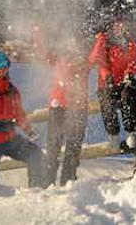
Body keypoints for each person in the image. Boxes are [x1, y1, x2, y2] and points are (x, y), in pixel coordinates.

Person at [0, 51, 44, 189]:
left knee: (35, 154)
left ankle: (36, 189)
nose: (3, 68)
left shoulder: (12, 90)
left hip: (10, 138)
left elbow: (19, 113)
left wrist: (28, 130)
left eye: (5, 64)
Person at [32, 27, 89, 186]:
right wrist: (38, 32)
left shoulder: (85, 61)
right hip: (59, 107)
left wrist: (100, 39)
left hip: (78, 109)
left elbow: (96, 55)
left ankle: (68, 180)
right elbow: (42, 53)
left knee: (73, 147)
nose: (74, 45)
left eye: (77, 43)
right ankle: (47, 181)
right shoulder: (58, 58)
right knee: (53, 146)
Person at [89, 17, 136, 151]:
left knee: (129, 95)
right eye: (116, 26)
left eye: (121, 26)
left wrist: (129, 74)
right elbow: (96, 60)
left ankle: (131, 132)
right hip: (107, 82)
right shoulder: (104, 41)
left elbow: (133, 61)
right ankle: (113, 135)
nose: (119, 28)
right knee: (107, 103)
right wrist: (107, 76)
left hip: (124, 82)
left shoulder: (128, 42)